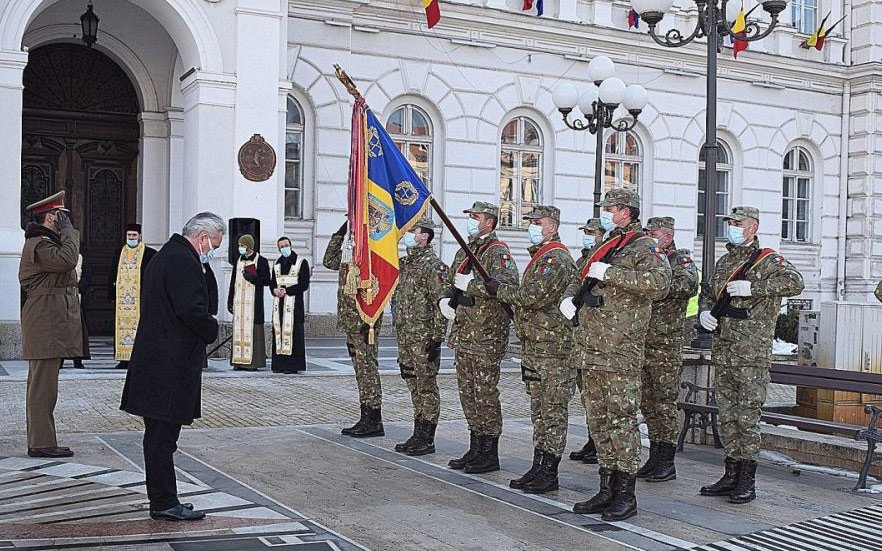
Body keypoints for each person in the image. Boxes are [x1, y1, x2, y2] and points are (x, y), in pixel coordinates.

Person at [560, 189, 670, 521]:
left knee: (621, 422)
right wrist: (569, 298)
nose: (606, 213)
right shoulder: (607, 245)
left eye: (610, 208)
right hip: (590, 349)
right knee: (599, 422)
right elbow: (580, 276)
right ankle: (606, 489)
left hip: (620, 351)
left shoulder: (643, 246)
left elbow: (660, 283)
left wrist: (610, 273)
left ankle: (626, 494)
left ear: (627, 211)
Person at [120, 211, 225, 522]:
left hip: (158, 361)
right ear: (202, 237)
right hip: (168, 364)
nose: (213, 251)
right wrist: (212, 328)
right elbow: (193, 310)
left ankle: (165, 498)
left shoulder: (168, 255)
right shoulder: (181, 260)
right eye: (213, 244)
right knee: (162, 439)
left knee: (159, 438)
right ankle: (164, 502)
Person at [698, 206, 804, 504]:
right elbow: (709, 290)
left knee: (747, 418)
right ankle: (730, 473)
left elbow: (795, 282)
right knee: (728, 416)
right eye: (729, 222)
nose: (731, 226)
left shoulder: (769, 260)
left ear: (752, 227)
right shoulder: (725, 260)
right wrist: (706, 311)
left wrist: (753, 286)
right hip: (725, 349)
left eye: (737, 222)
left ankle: (747, 480)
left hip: (751, 354)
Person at [481, 205, 575, 494]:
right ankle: (539, 464)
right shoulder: (541, 256)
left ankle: (549, 470)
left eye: (538, 222)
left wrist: (498, 290)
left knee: (553, 410)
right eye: (531, 221)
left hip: (553, 349)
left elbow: (533, 297)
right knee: (539, 410)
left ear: (552, 227)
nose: (532, 226)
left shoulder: (555, 259)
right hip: (536, 346)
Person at [440, 201, 518, 474]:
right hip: (465, 333)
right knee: (468, 393)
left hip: (486, 335)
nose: (471, 220)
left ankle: (489, 451)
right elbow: (452, 279)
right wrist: (448, 299)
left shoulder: (497, 252)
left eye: (476, 216)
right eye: (470, 215)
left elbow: (506, 287)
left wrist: (471, 285)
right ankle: (475, 445)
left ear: (490, 221)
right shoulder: (467, 249)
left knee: (485, 394)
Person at [19, 191, 82, 458]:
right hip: (44, 320)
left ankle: (43, 440)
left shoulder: (45, 243)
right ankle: (41, 443)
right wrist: (71, 232)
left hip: (49, 318)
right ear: (50, 216)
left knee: (45, 385)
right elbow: (67, 261)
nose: (64, 220)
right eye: (61, 216)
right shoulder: (40, 244)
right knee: (42, 387)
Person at [636, 217, 699, 482]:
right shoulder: (650, 259)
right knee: (648, 403)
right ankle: (655, 456)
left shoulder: (679, 261)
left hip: (665, 345)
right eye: (647, 232)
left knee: (663, 403)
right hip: (644, 341)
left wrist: (657, 281)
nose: (649, 236)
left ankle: (667, 459)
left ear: (667, 235)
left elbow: (688, 285)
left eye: (654, 233)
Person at [323, 219, 385, 437]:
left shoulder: (371, 259)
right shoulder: (349, 258)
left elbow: (377, 291)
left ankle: (374, 418)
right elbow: (328, 261)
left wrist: (368, 320)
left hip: (363, 322)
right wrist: (340, 231)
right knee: (361, 370)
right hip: (350, 321)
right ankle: (366, 416)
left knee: (367, 369)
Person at [393, 218, 449, 456]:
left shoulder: (434, 266)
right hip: (406, 335)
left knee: (426, 386)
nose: (406, 235)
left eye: (412, 231)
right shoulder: (405, 264)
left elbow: (442, 305)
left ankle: (427, 437)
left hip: (423, 337)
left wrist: (437, 338)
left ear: (424, 236)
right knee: (413, 384)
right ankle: (418, 432)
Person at [569, 217, 604, 464]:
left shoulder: (606, 259)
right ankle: (593, 440)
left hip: (601, 339)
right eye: (586, 231)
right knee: (587, 397)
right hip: (580, 335)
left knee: (602, 398)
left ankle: (600, 445)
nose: (588, 236)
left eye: (592, 232)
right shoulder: (583, 260)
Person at [108, 224, 157, 370]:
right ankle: (123, 359)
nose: (131, 238)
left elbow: (152, 276)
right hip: (122, 300)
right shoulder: (119, 253)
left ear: (140, 236)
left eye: (134, 236)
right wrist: (111, 294)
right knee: (122, 328)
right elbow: (112, 273)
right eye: (129, 236)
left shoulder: (149, 253)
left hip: (141, 299)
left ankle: (140, 358)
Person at [228, 234, 271, 371]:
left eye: (243, 245)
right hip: (239, 303)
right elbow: (232, 282)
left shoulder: (261, 261)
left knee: (254, 332)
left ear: (250, 246)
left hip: (254, 305)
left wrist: (252, 278)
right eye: (239, 245)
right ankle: (238, 362)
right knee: (239, 332)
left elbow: (266, 280)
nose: (241, 248)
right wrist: (230, 300)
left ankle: (253, 363)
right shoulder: (238, 261)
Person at [270, 236, 310, 374]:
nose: (284, 248)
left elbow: (304, 284)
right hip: (279, 304)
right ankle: (279, 364)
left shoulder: (301, 262)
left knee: (294, 335)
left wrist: (287, 291)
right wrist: (274, 290)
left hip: (294, 306)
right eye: (281, 247)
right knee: (278, 334)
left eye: (286, 245)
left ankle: (293, 365)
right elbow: (272, 282)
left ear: (290, 245)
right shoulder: (277, 263)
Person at [61, 254, 91, 369]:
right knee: (62, 331)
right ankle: (60, 360)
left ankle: (77, 360)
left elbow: (87, 277)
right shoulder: (60, 257)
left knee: (78, 332)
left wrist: (78, 287)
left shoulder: (82, 259)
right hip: (62, 299)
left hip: (78, 299)